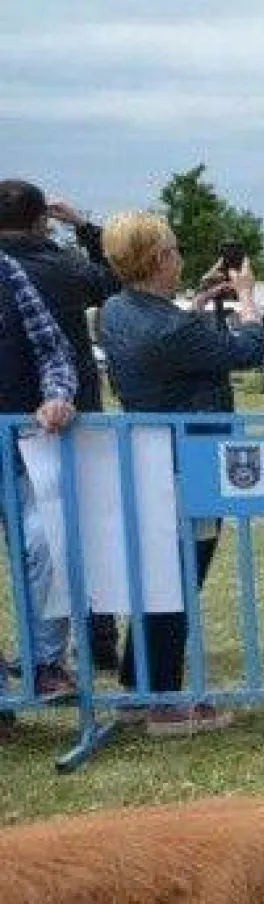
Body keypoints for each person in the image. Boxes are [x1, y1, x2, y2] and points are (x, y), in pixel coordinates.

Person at [98, 210, 264, 737]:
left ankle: (139, 688)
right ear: (158, 258)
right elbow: (249, 349)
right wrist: (246, 298)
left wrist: (196, 303)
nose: (180, 256)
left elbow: (172, 340)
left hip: (149, 460)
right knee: (179, 579)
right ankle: (165, 703)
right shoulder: (173, 329)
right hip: (190, 467)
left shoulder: (115, 310)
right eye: (173, 249)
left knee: (158, 579)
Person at [0, 179, 124, 670]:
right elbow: (114, 277)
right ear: (41, 219)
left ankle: (38, 666)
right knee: (71, 538)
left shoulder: (12, 271)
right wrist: (85, 227)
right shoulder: (63, 266)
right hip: (61, 424)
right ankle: (89, 644)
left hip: (37, 423)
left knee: (39, 545)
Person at [0, 252, 80, 703]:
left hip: (24, 442)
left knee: (48, 542)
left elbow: (52, 349)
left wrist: (57, 395)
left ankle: (44, 663)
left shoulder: (7, 271)